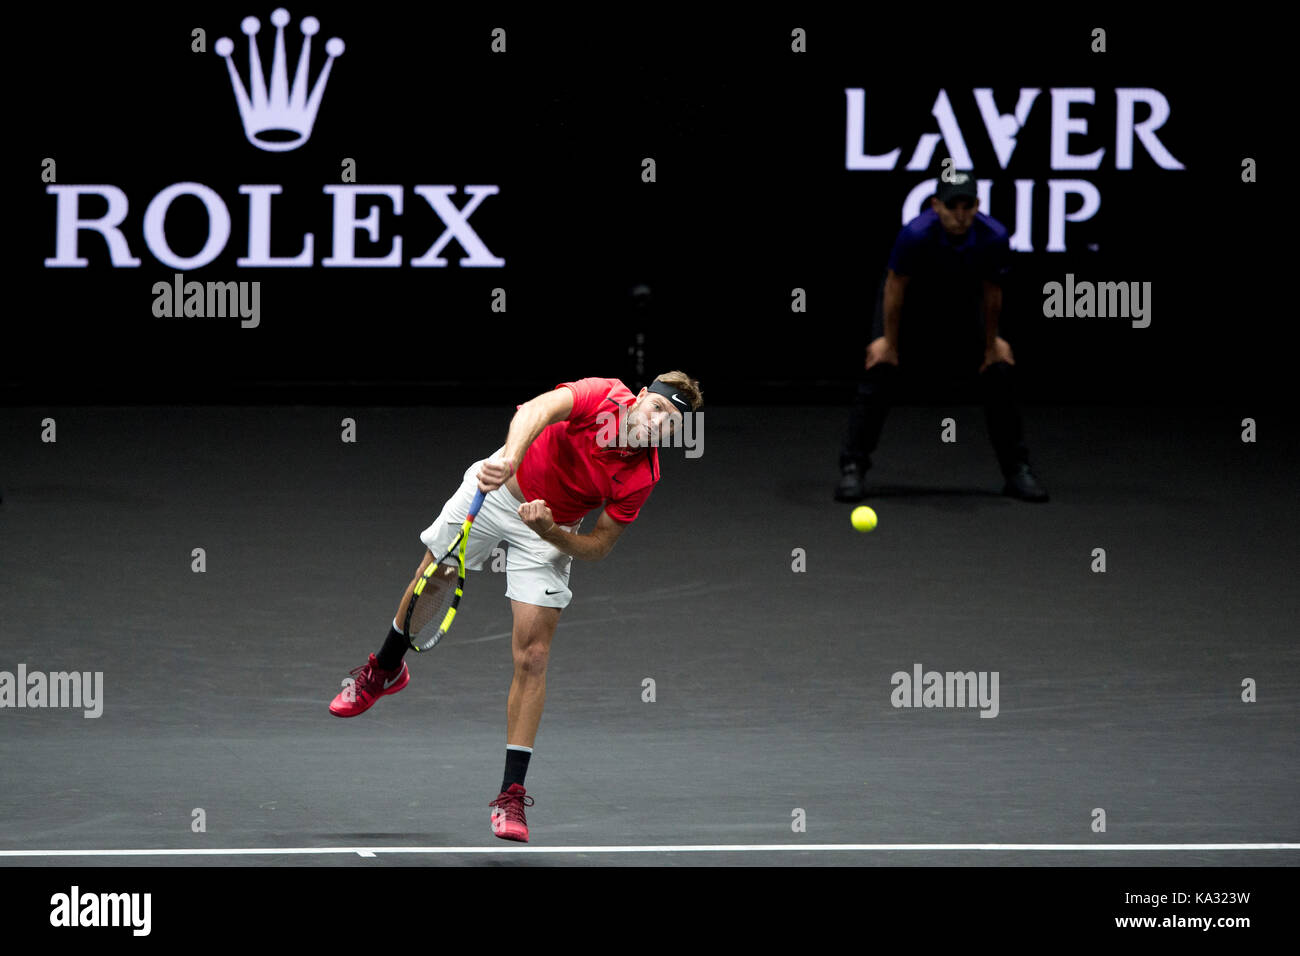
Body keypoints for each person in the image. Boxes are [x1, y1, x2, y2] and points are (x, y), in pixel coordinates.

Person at [329, 372, 703, 842]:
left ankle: (511, 794)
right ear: (641, 398)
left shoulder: (642, 476)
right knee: (434, 576)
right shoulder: (601, 394)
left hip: (549, 527)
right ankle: (386, 668)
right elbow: (536, 410)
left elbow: (598, 547)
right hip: (498, 489)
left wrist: (549, 532)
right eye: (658, 410)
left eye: (671, 423)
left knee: (534, 655)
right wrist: (508, 459)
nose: (658, 424)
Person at [835, 172, 1048, 503]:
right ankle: (853, 468)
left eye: (968, 206)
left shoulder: (993, 236)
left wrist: (992, 344)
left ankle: (1017, 470)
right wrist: (888, 342)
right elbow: (895, 287)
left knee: (999, 371)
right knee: (879, 370)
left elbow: (992, 293)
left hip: (961, 306)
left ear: (978, 205)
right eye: (952, 206)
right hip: (910, 306)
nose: (960, 214)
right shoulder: (915, 235)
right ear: (936, 206)